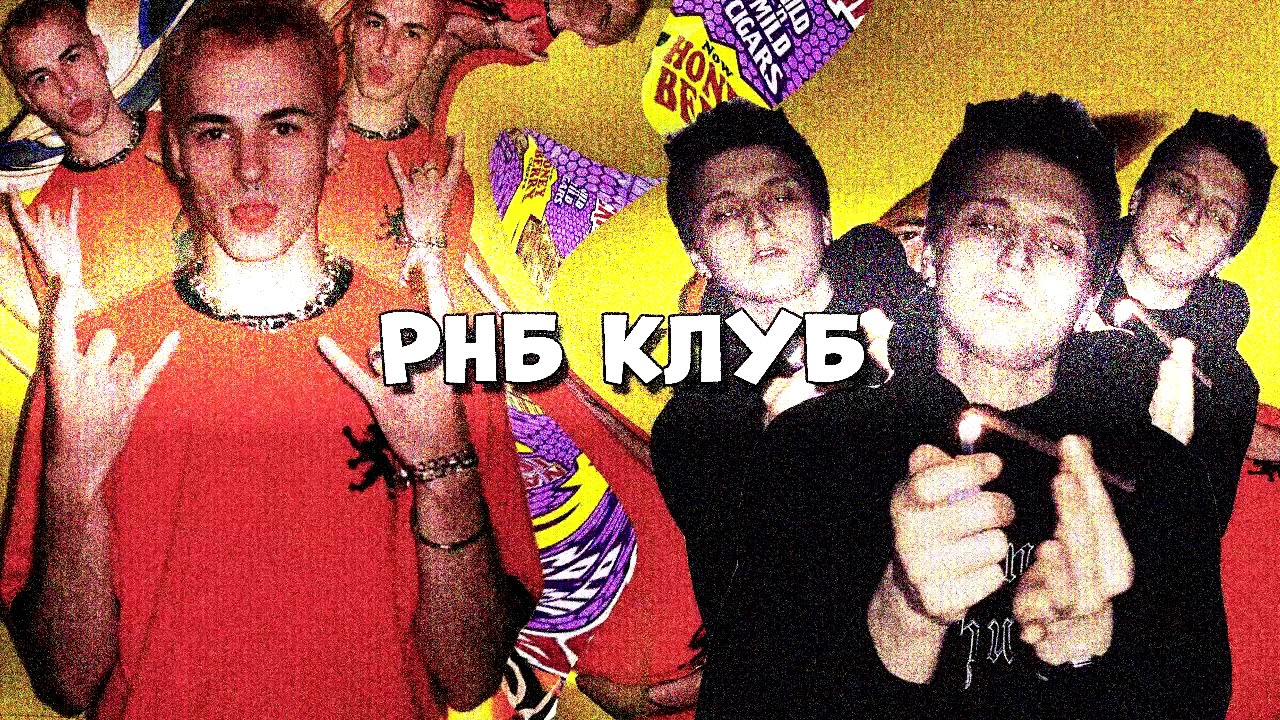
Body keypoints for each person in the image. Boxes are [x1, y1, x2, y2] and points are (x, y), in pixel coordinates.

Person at [0, 2, 540, 718]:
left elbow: (468, 677)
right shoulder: (91, 362)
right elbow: (67, 684)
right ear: (175, 151)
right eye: (214, 131)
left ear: (333, 142)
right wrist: (74, 483)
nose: (248, 168)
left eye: (283, 128)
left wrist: (444, 470)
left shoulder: (435, 353)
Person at [648, 100, 922, 716]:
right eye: (725, 213)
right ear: (698, 256)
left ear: (823, 220)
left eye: (781, 196)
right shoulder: (696, 427)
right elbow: (760, 622)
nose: (759, 224)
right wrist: (785, 456)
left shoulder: (914, 314)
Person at [1084, 111, 1275, 534]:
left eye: (1219, 215)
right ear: (1139, 196)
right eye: (1179, 188)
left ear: (1227, 256)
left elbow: (1193, 543)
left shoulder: (1227, 387)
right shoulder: (1046, 279)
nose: (1191, 217)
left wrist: (1164, 457)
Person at [0, 0, 181, 329]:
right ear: (28, 100)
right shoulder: (48, 226)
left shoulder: (191, 138)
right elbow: (85, 347)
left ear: (100, 52)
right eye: (41, 78)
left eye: (71, 58)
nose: (67, 87)